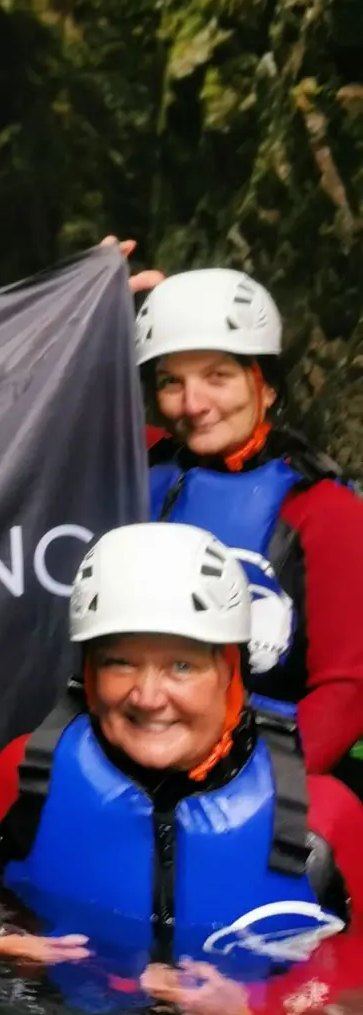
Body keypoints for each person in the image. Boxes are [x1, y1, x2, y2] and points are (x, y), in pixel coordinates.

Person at [0, 522, 363, 1015]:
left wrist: (263, 1008)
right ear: (88, 671)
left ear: (230, 671)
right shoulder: (29, 771)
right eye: (120, 663)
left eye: (182, 667)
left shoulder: (325, 815)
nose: (147, 697)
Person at [134, 269, 363, 774]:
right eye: (172, 382)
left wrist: (238, 785)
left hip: (259, 757)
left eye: (218, 376)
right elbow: (37, 408)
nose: (193, 405)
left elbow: (348, 689)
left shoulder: (326, 511)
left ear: (268, 388)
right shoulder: (138, 462)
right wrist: (88, 311)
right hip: (130, 732)